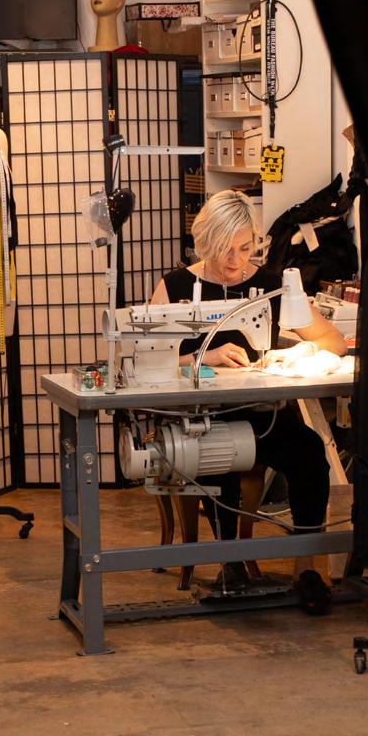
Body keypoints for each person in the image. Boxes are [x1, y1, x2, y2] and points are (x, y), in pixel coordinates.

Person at [149, 189, 346, 610]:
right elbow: (144, 362)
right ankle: (230, 561)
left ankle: (306, 568)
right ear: (204, 242)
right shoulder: (175, 286)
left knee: (309, 452)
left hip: (262, 415)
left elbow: (334, 341)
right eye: (224, 249)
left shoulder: (271, 285)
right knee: (220, 454)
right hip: (200, 419)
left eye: (244, 248)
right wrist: (203, 357)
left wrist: (300, 351)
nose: (235, 261)